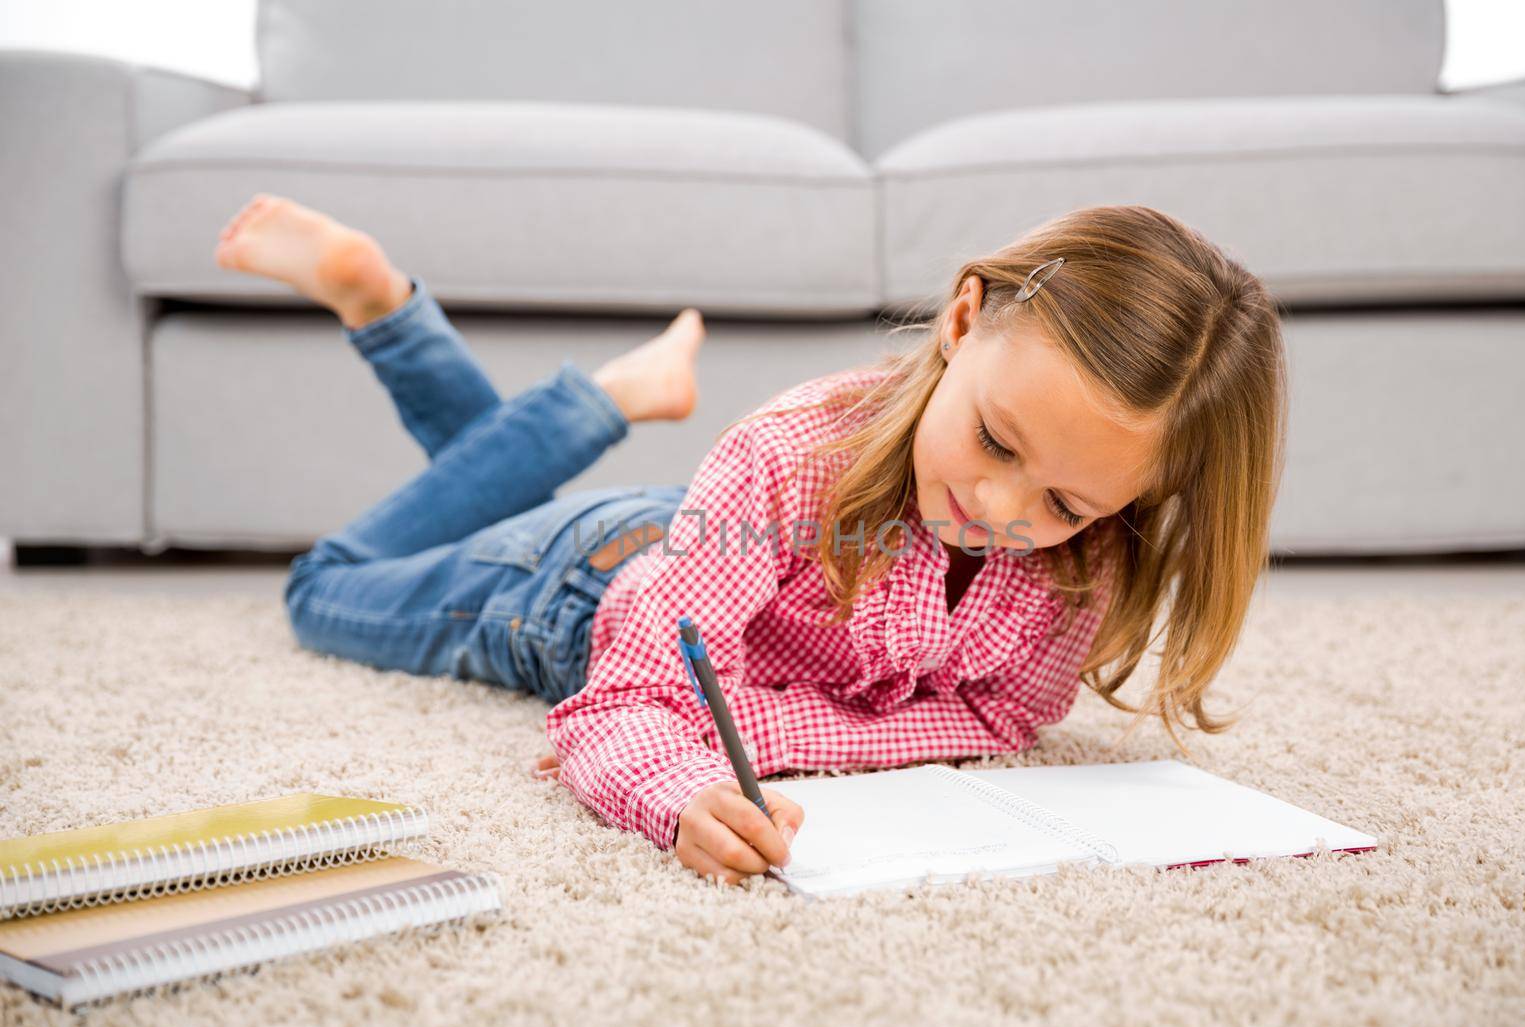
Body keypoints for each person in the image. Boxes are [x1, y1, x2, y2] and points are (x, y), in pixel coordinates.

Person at [217, 194, 1287, 888]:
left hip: (694, 548)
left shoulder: (1093, 554)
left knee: (480, 507)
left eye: (1064, 504)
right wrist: (679, 787)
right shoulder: (783, 457)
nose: (1002, 511)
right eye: (994, 440)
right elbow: (624, 704)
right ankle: (478, 350)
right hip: (567, 593)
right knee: (325, 586)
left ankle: (590, 400)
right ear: (961, 323)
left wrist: (764, 730)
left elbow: (1001, 714)